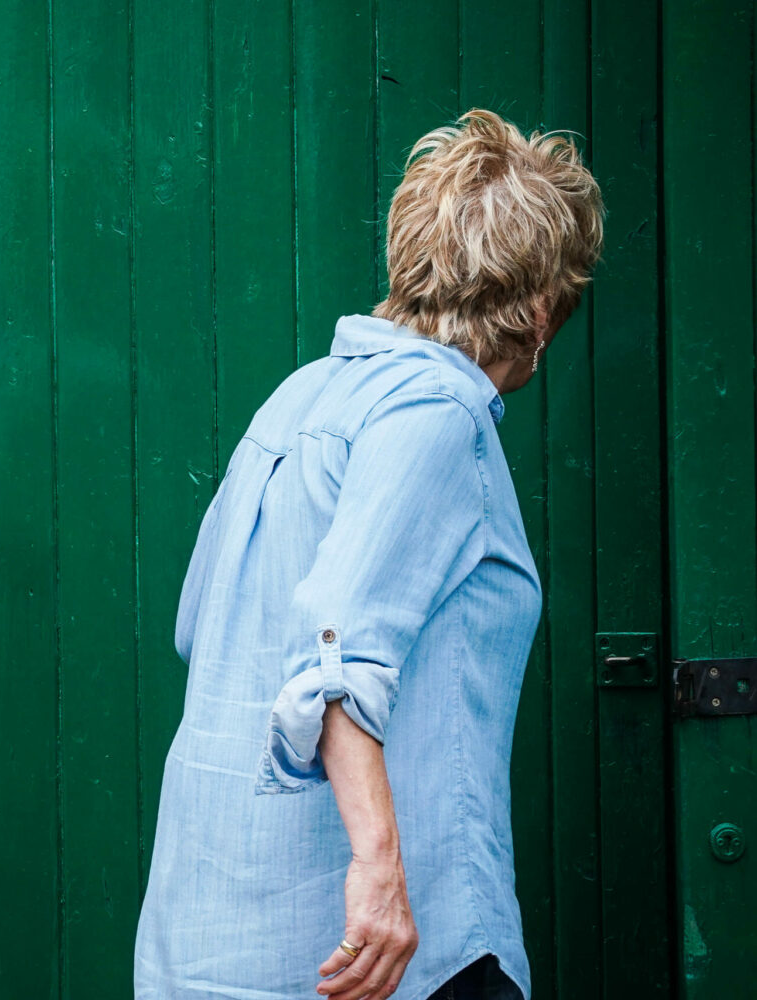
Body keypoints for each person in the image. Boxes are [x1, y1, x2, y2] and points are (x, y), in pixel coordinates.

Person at [134, 110, 603, 1000]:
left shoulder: (306, 394)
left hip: (211, 942)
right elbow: (334, 650)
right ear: (541, 311)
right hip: (377, 957)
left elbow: (202, 629)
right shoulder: (437, 412)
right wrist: (382, 874)